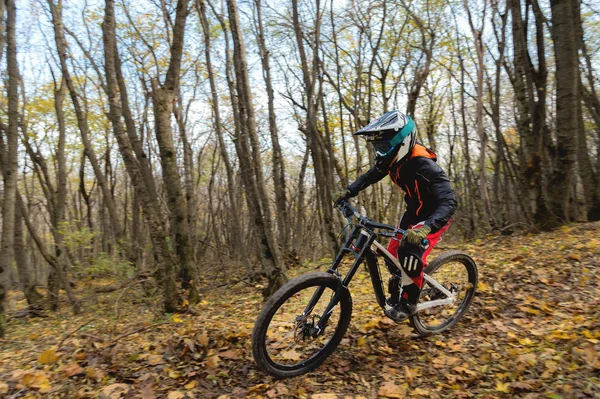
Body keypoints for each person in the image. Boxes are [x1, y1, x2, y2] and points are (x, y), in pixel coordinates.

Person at [334, 110, 457, 322]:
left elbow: (449, 201)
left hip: (434, 217)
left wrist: (426, 227)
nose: (379, 152)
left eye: (383, 146)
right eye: (377, 146)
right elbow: (369, 177)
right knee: (392, 256)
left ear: (403, 143)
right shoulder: (390, 161)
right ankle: (409, 282)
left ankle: (409, 303)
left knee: (409, 253)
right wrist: (349, 191)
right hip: (413, 213)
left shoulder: (424, 165)